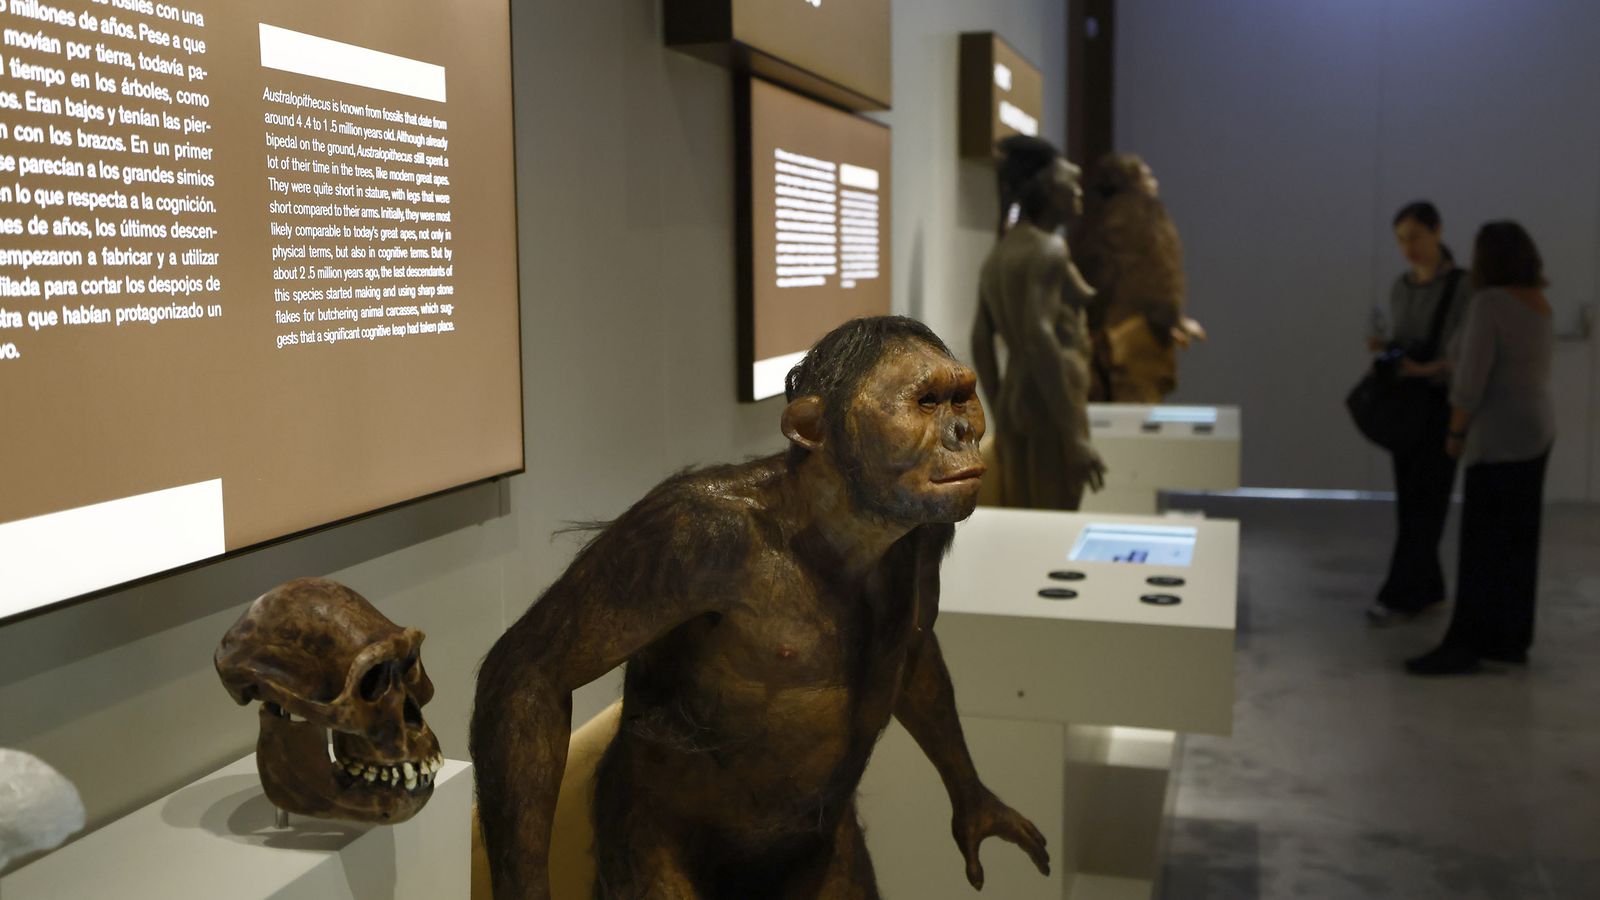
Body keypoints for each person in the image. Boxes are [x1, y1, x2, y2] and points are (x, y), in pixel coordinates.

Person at [1407, 221, 1555, 675]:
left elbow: (1470, 380)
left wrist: (1455, 434)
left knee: (1482, 543)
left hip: (1499, 436)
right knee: (1519, 543)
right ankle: (1510, 642)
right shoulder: (1538, 303)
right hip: (1538, 431)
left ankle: (1465, 643)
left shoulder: (1489, 303)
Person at [1366, 201, 1474, 624]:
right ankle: (1426, 588)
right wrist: (1389, 352)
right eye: (1400, 239)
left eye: (1414, 236)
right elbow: (1404, 339)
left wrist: (1425, 368)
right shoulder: (1401, 286)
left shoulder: (1464, 287)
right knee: (1412, 501)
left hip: (1440, 403)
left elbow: (1465, 352)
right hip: (1406, 403)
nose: (1407, 246)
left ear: (1437, 231)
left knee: (1427, 502)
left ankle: (1400, 593)